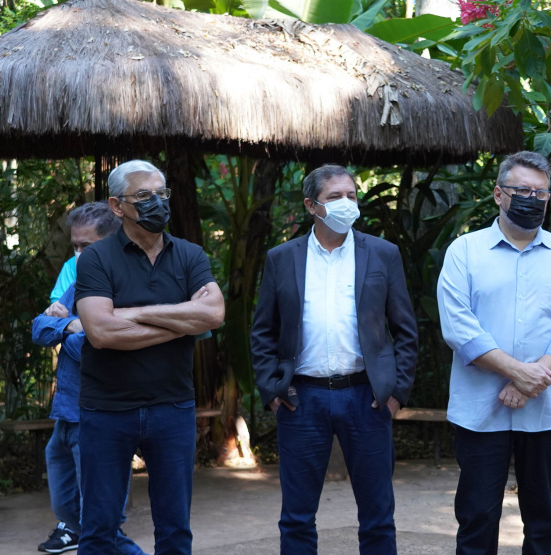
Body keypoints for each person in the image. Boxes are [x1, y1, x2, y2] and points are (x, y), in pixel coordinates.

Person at [250, 164, 418, 554]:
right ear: (312, 205)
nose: (347, 203)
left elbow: (406, 329)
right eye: (335, 197)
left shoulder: (382, 253)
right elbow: (262, 330)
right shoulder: (282, 257)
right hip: (301, 399)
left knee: (377, 514)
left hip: (366, 397)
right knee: (296, 516)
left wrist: (397, 392)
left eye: (351, 195)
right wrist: (271, 389)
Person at [436, 151, 551, 555]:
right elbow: (458, 327)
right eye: (521, 190)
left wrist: (528, 381)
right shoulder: (464, 252)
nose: (531, 198)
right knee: (477, 518)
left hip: (547, 410)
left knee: (543, 522)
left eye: (540, 193)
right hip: (479, 411)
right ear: (498, 194)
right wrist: (519, 372)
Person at [75, 160, 225, 554]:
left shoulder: (190, 254)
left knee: (175, 528)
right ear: (116, 205)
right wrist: (181, 320)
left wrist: (134, 312)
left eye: (161, 194)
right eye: (144, 196)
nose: (157, 203)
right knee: (99, 529)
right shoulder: (95, 258)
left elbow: (213, 315)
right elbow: (101, 332)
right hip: (107, 409)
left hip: (172, 407)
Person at [33, 202, 144, 555]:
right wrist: (70, 324)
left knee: (102, 522)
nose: (78, 255)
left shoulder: (126, 287)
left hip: (99, 416)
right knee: (69, 509)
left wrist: (69, 329)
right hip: (65, 414)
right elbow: (38, 328)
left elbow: (96, 348)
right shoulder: (79, 280)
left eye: (86, 247)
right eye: (75, 246)